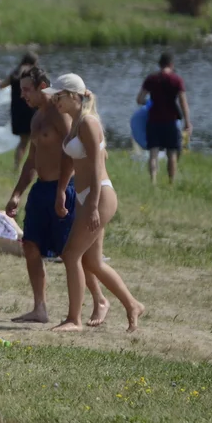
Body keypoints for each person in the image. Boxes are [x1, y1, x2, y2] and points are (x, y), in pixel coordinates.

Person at [5, 68, 106, 325]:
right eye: (20, 90)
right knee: (30, 245)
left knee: (71, 251)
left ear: (42, 86)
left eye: (27, 89)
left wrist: (62, 191)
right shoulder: (36, 118)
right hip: (41, 189)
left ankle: (99, 299)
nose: (22, 95)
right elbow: (31, 159)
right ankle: (40, 308)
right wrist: (17, 194)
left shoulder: (61, 115)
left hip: (64, 189)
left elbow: (70, 154)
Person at [46, 75, 145, 333]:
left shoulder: (89, 122)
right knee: (92, 262)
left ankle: (73, 320)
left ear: (72, 96)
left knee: (70, 255)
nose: (54, 100)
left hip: (99, 195)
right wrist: (61, 191)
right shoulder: (75, 122)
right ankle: (132, 304)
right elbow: (69, 159)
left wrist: (91, 205)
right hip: (85, 196)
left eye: (58, 96)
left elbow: (99, 166)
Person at [137, 52, 191, 185]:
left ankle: (153, 182)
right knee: (172, 153)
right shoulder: (176, 80)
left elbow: (139, 99)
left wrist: (149, 103)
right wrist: (187, 122)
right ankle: (171, 182)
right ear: (171, 64)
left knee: (153, 152)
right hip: (171, 120)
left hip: (154, 120)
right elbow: (183, 103)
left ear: (159, 64)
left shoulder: (151, 79)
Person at [0, 51, 39, 170]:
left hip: (17, 110)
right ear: (34, 62)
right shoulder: (33, 73)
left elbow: (1, 85)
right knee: (36, 141)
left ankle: (17, 167)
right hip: (31, 109)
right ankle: (34, 167)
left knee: (23, 142)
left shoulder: (14, 73)